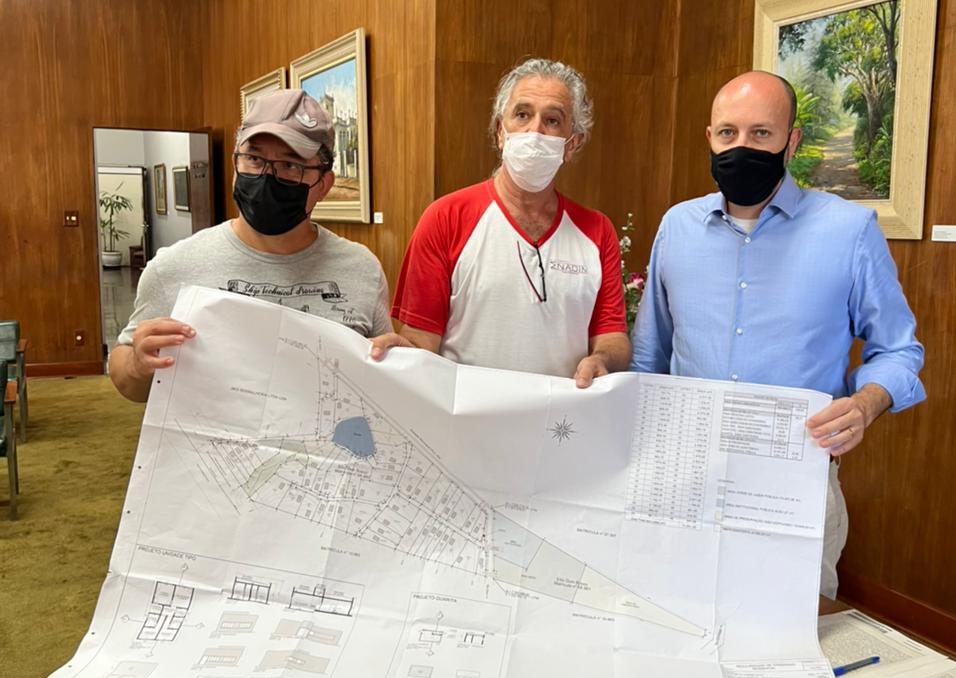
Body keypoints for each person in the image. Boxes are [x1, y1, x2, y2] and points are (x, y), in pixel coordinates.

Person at [631, 71, 925, 598]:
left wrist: (865, 405)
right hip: (685, 482)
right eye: (728, 133)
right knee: (674, 615)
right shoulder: (677, 227)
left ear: (792, 141)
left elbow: (899, 349)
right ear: (710, 138)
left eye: (761, 133)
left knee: (787, 633)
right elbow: (650, 355)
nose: (741, 147)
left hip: (794, 489)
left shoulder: (849, 231)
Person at [109, 89, 392, 402]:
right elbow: (125, 376)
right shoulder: (173, 267)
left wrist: (400, 365)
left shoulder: (361, 269)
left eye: (290, 165)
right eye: (254, 159)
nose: (267, 177)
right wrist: (137, 364)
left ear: (323, 184)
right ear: (236, 164)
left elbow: (381, 379)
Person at [371, 58, 630, 387]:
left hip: (561, 415)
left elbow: (611, 336)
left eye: (552, 120)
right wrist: (401, 353)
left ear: (572, 143)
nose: (535, 131)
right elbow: (422, 341)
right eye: (522, 115)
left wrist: (602, 359)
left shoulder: (596, 231)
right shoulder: (446, 218)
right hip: (469, 414)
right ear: (499, 132)